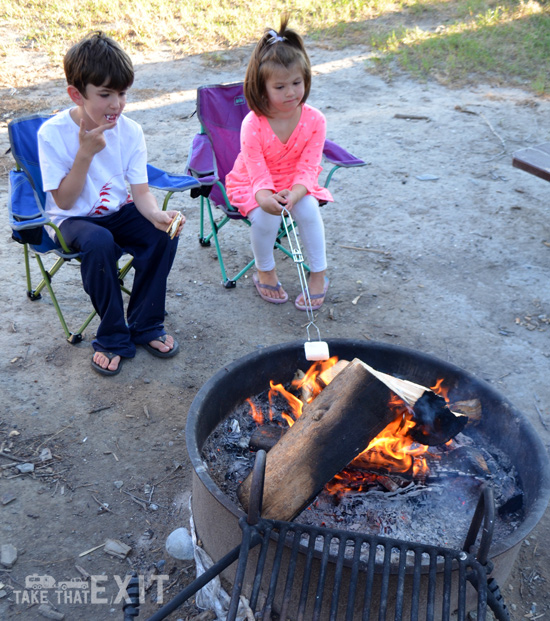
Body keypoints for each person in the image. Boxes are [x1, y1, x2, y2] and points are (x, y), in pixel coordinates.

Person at [38, 32, 183, 376]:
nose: (116, 104)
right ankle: (113, 336)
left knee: (163, 235)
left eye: (122, 93)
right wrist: (85, 156)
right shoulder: (52, 134)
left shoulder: (130, 131)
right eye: (105, 94)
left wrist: (157, 214)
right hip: (72, 221)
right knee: (100, 241)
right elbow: (65, 200)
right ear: (77, 94)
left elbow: (142, 192)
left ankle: (146, 323)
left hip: (117, 212)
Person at [225, 15, 332, 310]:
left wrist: (296, 193)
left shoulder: (315, 120)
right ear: (262, 88)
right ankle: (265, 270)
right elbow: (255, 168)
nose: (290, 93)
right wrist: (264, 196)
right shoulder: (253, 124)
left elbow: (309, 167)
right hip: (254, 182)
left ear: (306, 80)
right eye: (280, 87)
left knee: (309, 209)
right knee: (266, 215)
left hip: (297, 183)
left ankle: (319, 274)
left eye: (297, 83)